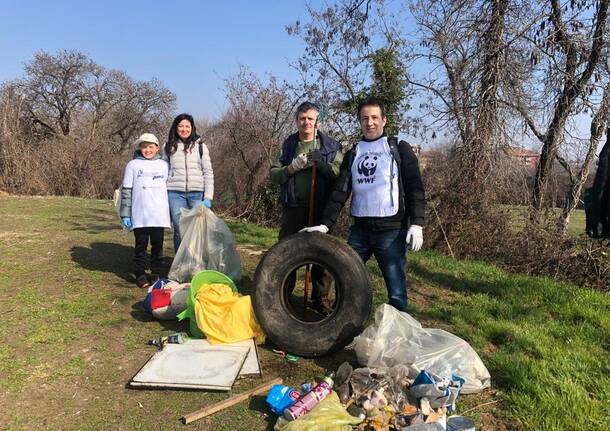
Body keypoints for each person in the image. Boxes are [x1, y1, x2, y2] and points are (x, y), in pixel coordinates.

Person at [301, 96, 425, 311]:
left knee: (396, 291)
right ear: (360, 121)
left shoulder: (398, 148)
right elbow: (340, 191)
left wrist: (417, 223)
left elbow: (415, 187)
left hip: (391, 233)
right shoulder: (354, 153)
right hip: (360, 232)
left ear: (384, 120)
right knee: (346, 283)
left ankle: (395, 336)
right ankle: (342, 328)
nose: (370, 123)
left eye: (374, 117)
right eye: (364, 118)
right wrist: (325, 224)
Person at [269, 101, 343, 314]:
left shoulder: (330, 146)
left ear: (317, 122)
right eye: (302, 119)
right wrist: (291, 168)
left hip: (321, 208)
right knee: (287, 252)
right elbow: (274, 174)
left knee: (323, 253)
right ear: (296, 121)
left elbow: (339, 174)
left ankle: (320, 299)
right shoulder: (288, 145)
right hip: (294, 206)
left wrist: (321, 164)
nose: (306, 123)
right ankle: (283, 294)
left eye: (310, 119)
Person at [119, 133, 171, 288]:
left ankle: (156, 273)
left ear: (156, 148)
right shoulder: (133, 165)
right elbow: (127, 190)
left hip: (158, 214)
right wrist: (125, 213)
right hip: (140, 213)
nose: (147, 150)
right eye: (144, 146)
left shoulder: (164, 165)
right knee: (141, 245)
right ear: (139, 147)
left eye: (151, 147)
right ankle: (140, 273)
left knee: (157, 246)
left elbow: (169, 187)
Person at [164, 113, 214, 252]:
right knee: (180, 229)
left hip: (197, 194)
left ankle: (195, 262)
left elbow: (208, 172)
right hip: (175, 194)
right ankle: (180, 265)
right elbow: (162, 171)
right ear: (175, 127)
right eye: (181, 126)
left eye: (187, 126)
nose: (184, 129)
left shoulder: (201, 146)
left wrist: (208, 197)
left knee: (197, 230)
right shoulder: (168, 146)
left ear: (192, 128)